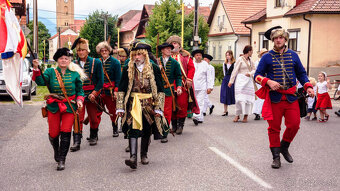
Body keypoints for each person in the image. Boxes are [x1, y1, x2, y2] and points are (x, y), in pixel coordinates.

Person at [254, 26, 314, 169]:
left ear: (285, 39)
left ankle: (284, 146)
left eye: (281, 37)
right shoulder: (267, 57)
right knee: (274, 129)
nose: (278, 40)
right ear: (273, 41)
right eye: (275, 38)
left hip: (291, 97)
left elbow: (301, 73)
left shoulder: (293, 55)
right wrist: (268, 81)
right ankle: (276, 157)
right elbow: (257, 75)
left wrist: (308, 87)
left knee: (294, 125)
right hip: (275, 98)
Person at [116, 42, 168, 169]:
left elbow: (160, 89)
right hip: (132, 103)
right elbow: (122, 87)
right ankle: (133, 157)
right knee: (132, 128)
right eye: (134, 54)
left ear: (145, 55)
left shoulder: (154, 68)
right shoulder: (128, 68)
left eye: (139, 54)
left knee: (146, 130)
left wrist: (159, 108)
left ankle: (143, 154)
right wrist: (120, 106)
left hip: (148, 104)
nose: (137, 57)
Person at [32, 48, 85, 170]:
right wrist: (36, 68)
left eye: (66, 58)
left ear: (69, 60)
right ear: (57, 60)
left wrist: (80, 100)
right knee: (54, 133)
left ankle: (62, 159)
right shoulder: (50, 72)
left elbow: (80, 91)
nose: (64, 60)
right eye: (61, 58)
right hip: (54, 106)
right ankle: (56, 150)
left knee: (66, 131)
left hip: (69, 106)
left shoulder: (75, 74)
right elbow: (40, 82)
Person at [70, 37, 104, 151]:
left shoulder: (97, 62)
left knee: (93, 119)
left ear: (87, 50)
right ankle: (77, 141)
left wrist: (94, 93)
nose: (80, 52)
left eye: (83, 50)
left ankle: (94, 135)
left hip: (92, 95)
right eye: (79, 50)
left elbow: (101, 81)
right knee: (78, 118)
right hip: (78, 95)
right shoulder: (73, 64)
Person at [166, 35, 198, 134]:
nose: (173, 45)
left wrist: (189, 79)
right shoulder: (166, 57)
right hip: (169, 85)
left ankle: (180, 125)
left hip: (182, 84)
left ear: (179, 45)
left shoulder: (185, 57)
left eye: (175, 43)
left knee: (181, 105)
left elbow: (192, 68)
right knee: (171, 106)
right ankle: (174, 125)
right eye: (171, 44)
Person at [157, 42, 182, 143]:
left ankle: (165, 133)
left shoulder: (175, 63)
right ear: (162, 50)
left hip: (169, 91)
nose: (169, 50)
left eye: (169, 49)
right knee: (158, 112)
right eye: (166, 49)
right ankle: (158, 130)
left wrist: (179, 86)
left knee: (167, 113)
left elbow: (178, 76)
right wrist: (157, 69)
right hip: (158, 91)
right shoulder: (156, 61)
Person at [96, 41, 122, 137]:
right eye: (102, 50)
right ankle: (94, 133)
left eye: (106, 50)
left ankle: (115, 128)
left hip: (110, 91)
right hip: (99, 91)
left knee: (113, 111)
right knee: (97, 112)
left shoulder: (115, 62)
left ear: (109, 51)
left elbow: (118, 78)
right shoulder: (97, 62)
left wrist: (116, 90)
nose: (104, 52)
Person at [228, 45, 256, 123]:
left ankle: (245, 116)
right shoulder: (240, 59)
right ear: (249, 51)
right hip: (240, 80)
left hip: (248, 81)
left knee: (247, 99)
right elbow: (235, 70)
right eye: (252, 51)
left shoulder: (251, 60)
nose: (252, 52)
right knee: (239, 99)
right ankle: (237, 115)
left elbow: (254, 69)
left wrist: (250, 73)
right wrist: (231, 81)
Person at [192, 49, 214, 125]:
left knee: (200, 102)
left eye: (200, 55)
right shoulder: (191, 63)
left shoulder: (205, 64)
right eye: (197, 55)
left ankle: (196, 116)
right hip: (193, 86)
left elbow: (209, 76)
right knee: (195, 102)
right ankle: (200, 118)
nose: (198, 57)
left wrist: (210, 87)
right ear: (194, 56)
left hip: (202, 86)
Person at [252, 48, 268, 120]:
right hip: (259, 81)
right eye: (264, 53)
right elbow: (255, 72)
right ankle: (256, 112)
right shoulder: (257, 62)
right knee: (259, 97)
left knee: (264, 98)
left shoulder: (268, 62)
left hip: (266, 81)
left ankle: (261, 112)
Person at [220, 50, 236, 116]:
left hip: (232, 79)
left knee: (232, 94)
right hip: (226, 79)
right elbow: (224, 72)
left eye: (229, 55)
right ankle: (225, 110)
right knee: (225, 94)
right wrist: (226, 78)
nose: (228, 57)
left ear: (232, 55)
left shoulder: (234, 63)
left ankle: (236, 111)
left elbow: (235, 72)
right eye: (226, 55)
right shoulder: (224, 63)